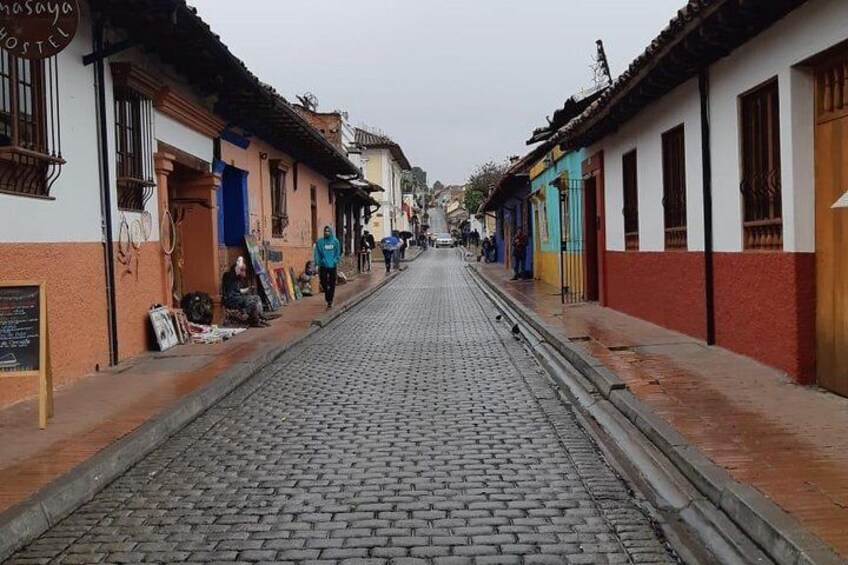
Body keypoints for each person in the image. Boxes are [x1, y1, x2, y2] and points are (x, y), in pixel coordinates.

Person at [221, 256, 268, 327]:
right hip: (231, 300)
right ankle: (254, 321)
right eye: (243, 270)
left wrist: (248, 289)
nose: (244, 272)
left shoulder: (237, 279)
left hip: (237, 297)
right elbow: (232, 293)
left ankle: (260, 316)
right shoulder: (230, 276)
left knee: (256, 298)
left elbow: (238, 291)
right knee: (252, 302)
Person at [314, 225, 342, 308]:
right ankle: (327, 295)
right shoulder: (320, 242)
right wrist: (318, 263)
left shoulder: (335, 242)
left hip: (332, 265)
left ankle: (330, 300)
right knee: (323, 282)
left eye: (328, 231)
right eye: (325, 231)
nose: (327, 233)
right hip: (323, 265)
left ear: (331, 232)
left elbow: (337, 253)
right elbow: (317, 253)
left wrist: (335, 261)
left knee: (332, 283)